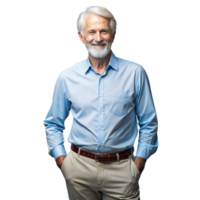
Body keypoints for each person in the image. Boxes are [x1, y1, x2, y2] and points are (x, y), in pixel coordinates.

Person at [41, 5, 160, 200]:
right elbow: (53, 123)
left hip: (123, 169)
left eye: (104, 31)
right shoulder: (66, 77)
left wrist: (138, 164)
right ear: (81, 37)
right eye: (92, 32)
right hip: (78, 169)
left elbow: (149, 122)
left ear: (114, 35)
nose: (98, 38)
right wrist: (63, 162)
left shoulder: (136, 73)